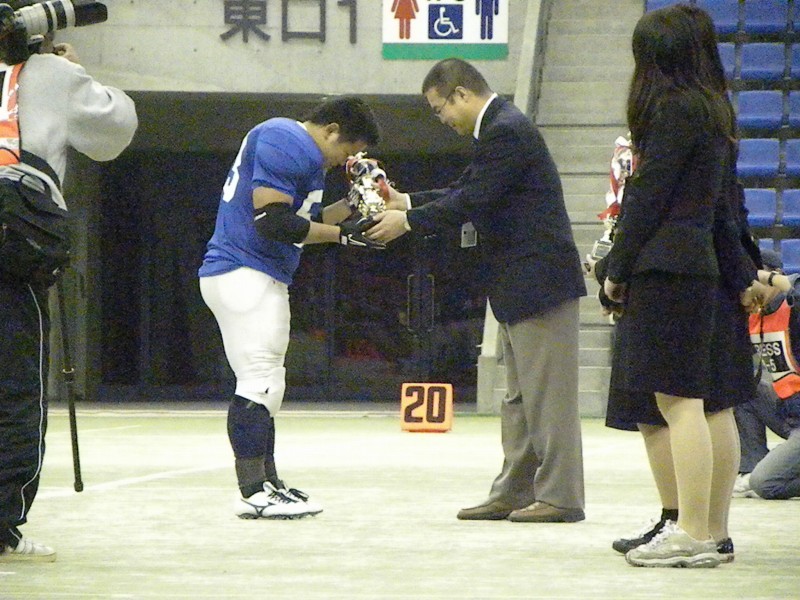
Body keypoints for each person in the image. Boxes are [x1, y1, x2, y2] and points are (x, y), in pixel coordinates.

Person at [367, 58, 587, 523]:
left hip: (539, 283)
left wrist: (408, 221)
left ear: (461, 94)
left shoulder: (507, 131)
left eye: (439, 109)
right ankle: (515, 491)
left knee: (548, 398)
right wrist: (406, 201)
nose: (441, 119)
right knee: (519, 399)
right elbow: (465, 189)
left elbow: (472, 199)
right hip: (518, 284)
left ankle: (561, 496)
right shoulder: (499, 130)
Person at [591, 4, 766, 567]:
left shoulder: (672, 108)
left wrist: (616, 269)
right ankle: (712, 530)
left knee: (677, 400)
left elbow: (648, 197)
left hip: (668, 269)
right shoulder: (715, 110)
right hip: (703, 267)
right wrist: (743, 274)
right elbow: (725, 208)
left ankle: (689, 531)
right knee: (714, 404)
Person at [198, 96, 382, 520]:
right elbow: (274, 223)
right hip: (244, 270)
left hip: (254, 272)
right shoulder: (285, 137)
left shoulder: (298, 150)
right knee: (258, 382)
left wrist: (354, 206)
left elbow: (304, 218)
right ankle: (253, 491)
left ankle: (269, 485)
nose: (344, 161)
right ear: (331, 130)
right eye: (347, 149)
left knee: (268, 385)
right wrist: (344, 237)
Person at [0, 20, 138, 561]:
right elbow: (114, 132)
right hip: (13, 242)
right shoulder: (49, 73)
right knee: (15, 386)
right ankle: (2, 528)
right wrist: (76, 71)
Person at [735, 254, 800, 500]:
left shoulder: (794, 308)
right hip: (788, 412)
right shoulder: (753, 315)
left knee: (765, 485)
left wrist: (779, 281)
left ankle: (762, 476)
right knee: (743, 389)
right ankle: (750, 468)